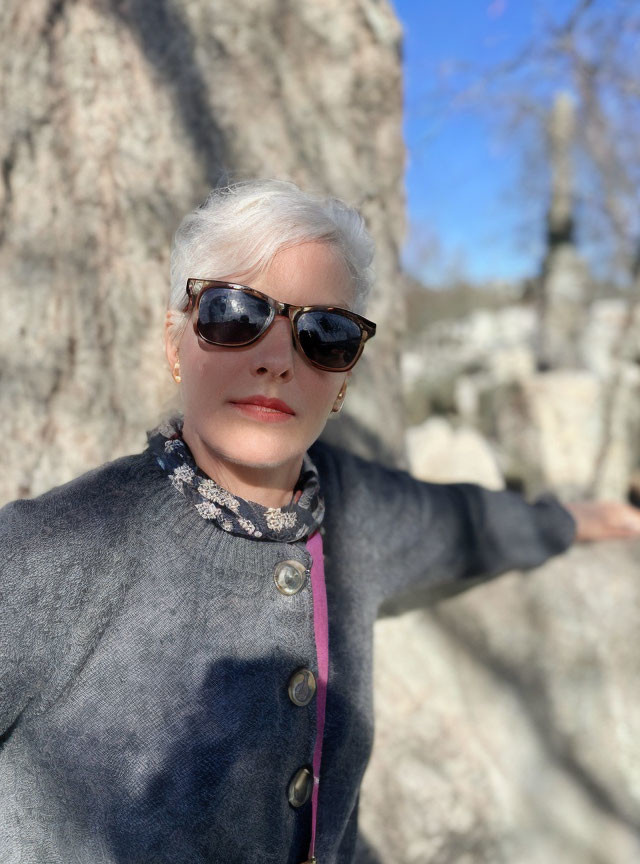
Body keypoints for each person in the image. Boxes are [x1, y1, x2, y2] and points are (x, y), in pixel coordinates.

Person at [1, 179, 639, 864]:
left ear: (344, 379)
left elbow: (472, 523)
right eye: (232, 312)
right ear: (174, 342)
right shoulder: (46, 553)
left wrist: (599, 517)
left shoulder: (353, 508)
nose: (277, 359)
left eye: (323, 333)